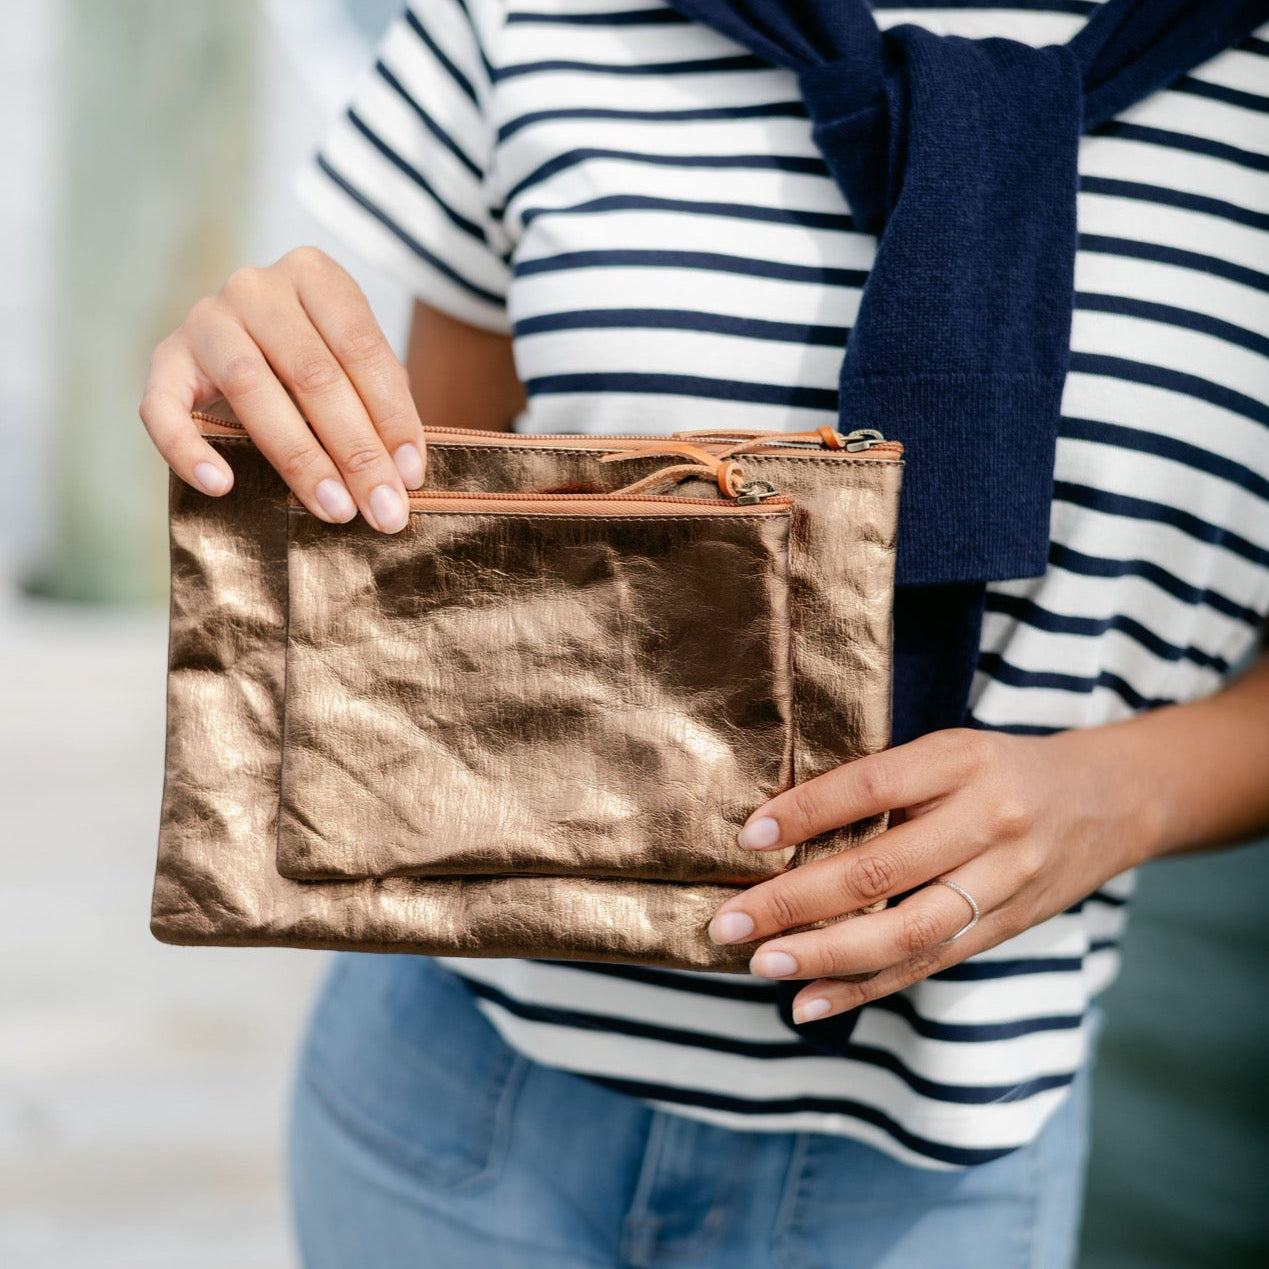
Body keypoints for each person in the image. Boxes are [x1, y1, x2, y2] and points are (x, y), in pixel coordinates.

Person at [139, 2, 1269, 1266]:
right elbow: (436, 532)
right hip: (461, 1102)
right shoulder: (526, 14)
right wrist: (272, 408)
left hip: (928, 1180)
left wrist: (1114, 796)